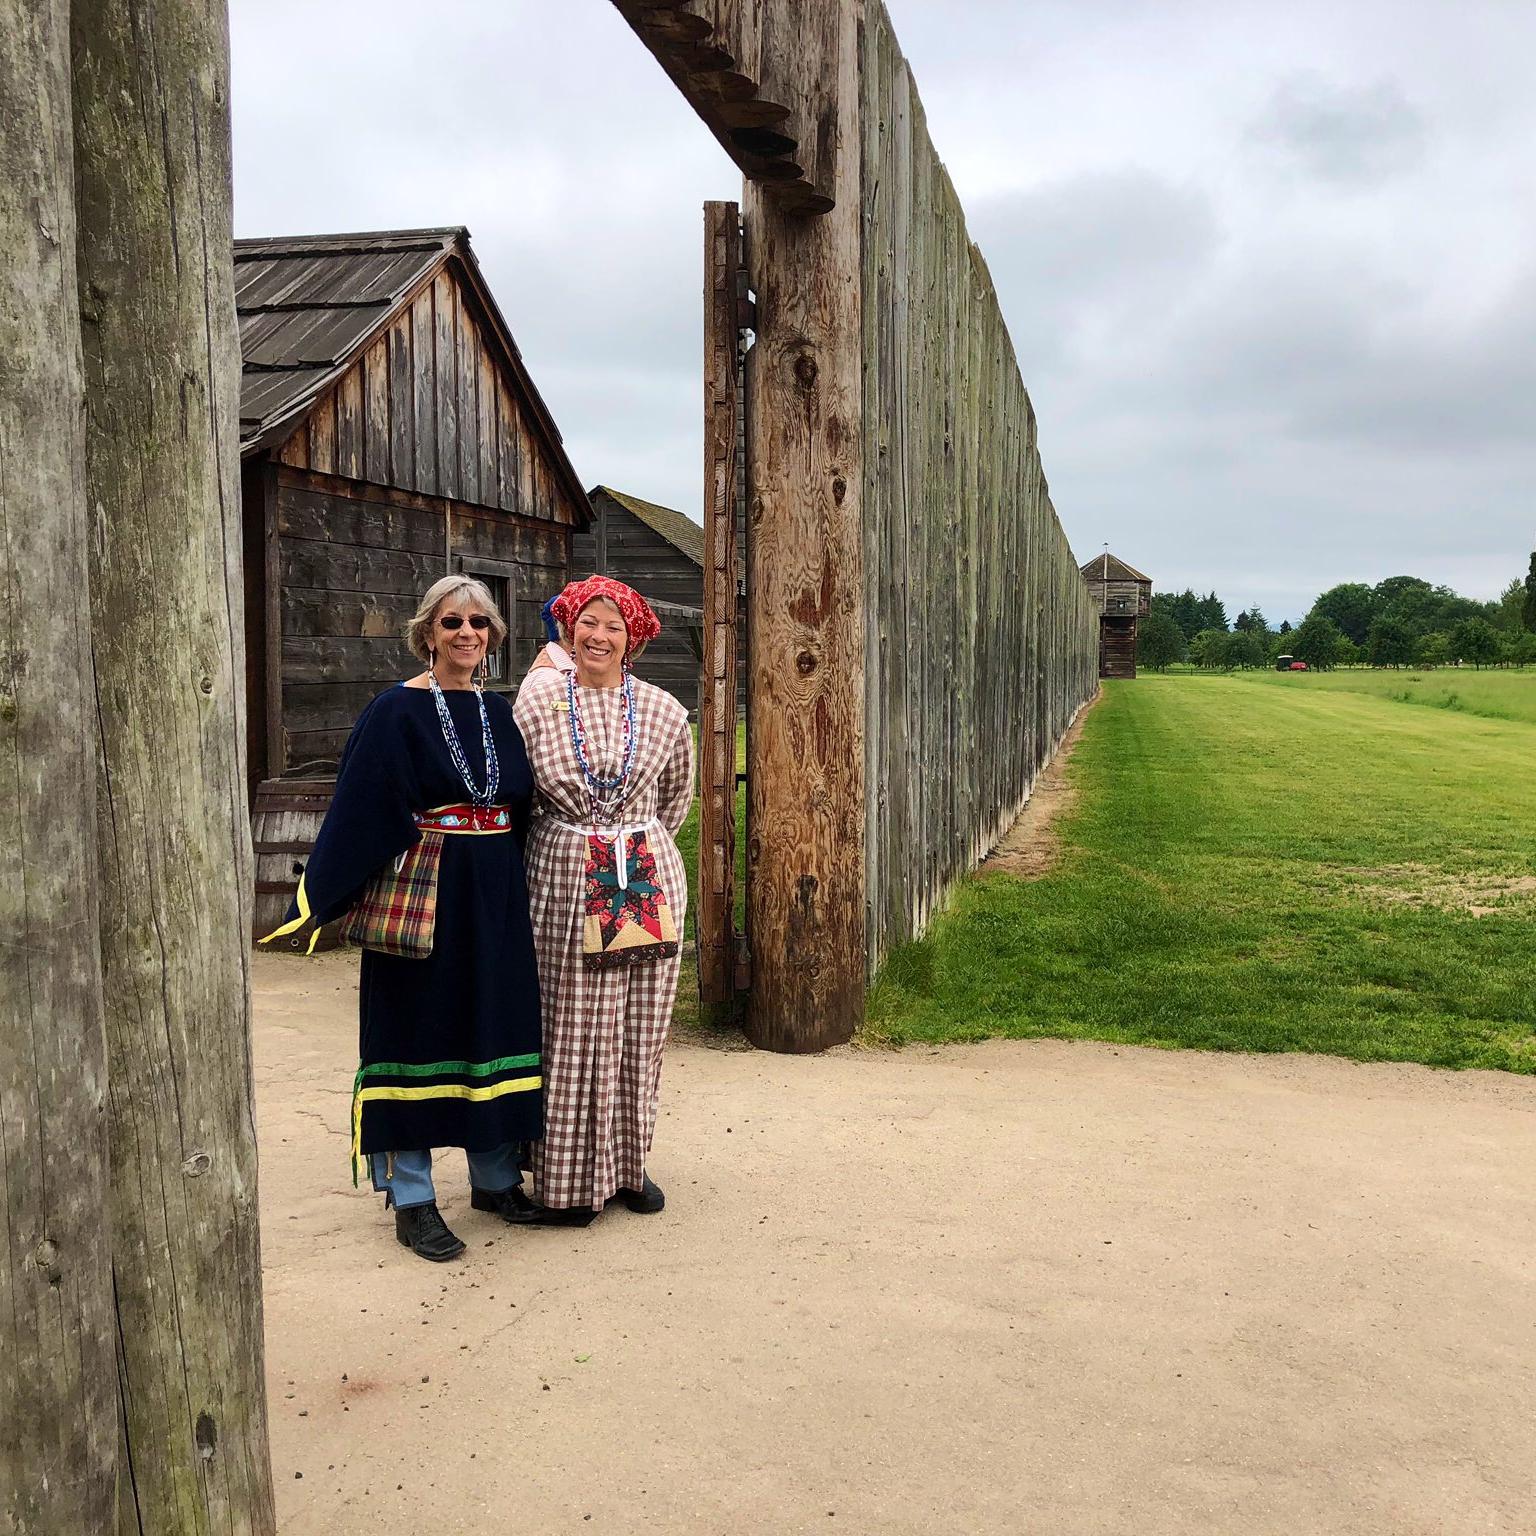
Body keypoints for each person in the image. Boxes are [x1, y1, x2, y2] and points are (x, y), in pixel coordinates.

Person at [263, 575, 544, 1262]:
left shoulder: (499, 713)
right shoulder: (394, 711)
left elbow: (522, 807)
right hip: (428, 892)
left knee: (493, 1024)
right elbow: (365, 803)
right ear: (427, 633)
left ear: (494, 637)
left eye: (480, 623)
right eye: (453, 622)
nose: (467, 634)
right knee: (415, 1031)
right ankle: (412, 1197)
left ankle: (496, 1179)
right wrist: (322, 895)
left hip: (496, 894)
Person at [514, 575, 695, 1224]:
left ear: (633, 638)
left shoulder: (665, 710)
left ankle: (625, 1168)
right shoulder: (536, 704)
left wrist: (625, 846)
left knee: (637, 1027)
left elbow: (675, 801)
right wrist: (574, 846)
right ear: (568, 627)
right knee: (567, 1026)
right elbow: (518, 794)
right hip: (562, 875)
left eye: (614, 626)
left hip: (638, 874)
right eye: (588, 621)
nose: (599, 635)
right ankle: (565, 1187)